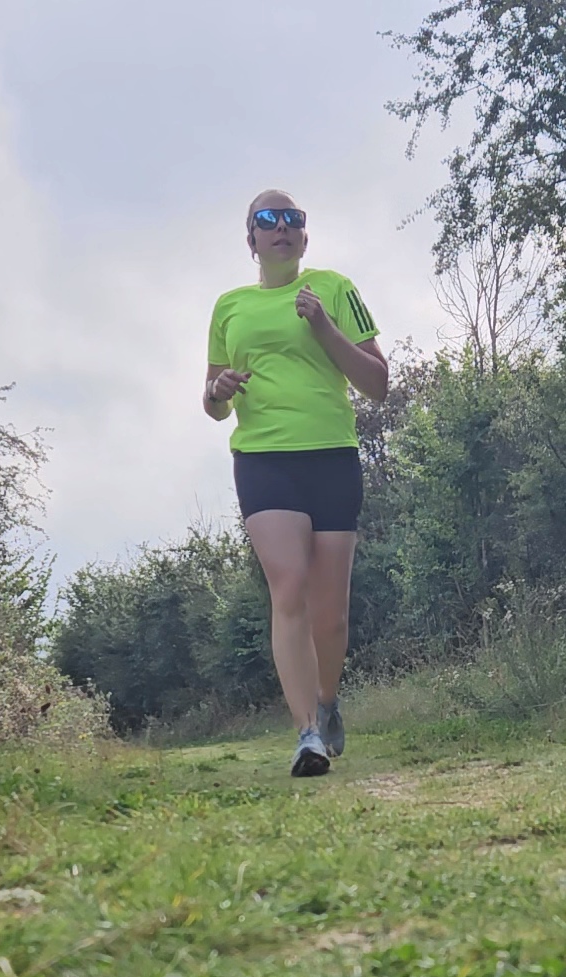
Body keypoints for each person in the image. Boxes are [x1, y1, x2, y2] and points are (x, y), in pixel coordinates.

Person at [203, 191, 389, 776]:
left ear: (304, 239)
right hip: (263, 459)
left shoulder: (333, 288)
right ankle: (306, 732)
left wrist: (325, 328)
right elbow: (212, 402)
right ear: (251, 239)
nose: (281, 227)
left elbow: (378, 383)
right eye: (267, 220)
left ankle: (328, 704)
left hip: (331, 455)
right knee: (289, 588)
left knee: (329, 613)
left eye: (293, 220)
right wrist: (218, 392)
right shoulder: (229, 307)